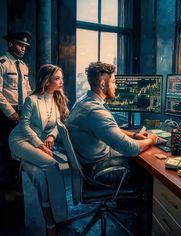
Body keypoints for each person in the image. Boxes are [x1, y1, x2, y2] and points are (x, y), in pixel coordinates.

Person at [66, 61, 158, 187]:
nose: (116, 86)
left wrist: (134, 135)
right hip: (99, 171)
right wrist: (152, 140)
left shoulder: (82, 102)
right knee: (149, 169)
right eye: (114, 82)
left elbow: (110, 129)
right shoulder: (96, 111)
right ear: (103, 84)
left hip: (89, 163)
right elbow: (132, 149)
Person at [9, 64, 69, 236]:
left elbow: (57, 125)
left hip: (38, 143)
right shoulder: (32, 99)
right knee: (52, 165)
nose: (61, 82)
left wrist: (50, 137)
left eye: (61, 78)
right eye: (57, 78)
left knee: (40, 176)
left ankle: (50, 219)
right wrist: (40, 145)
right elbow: (24, 126)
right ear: (46, 80)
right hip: (20, 140)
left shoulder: (57, 99)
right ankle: (57, 217)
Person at [0, 31, 32, 195]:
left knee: (18, 149)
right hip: (6, 113)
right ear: (10, 44)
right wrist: (10, 112)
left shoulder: (24, 66)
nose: (23, 48)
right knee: (6, 150)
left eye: (25, 46)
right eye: (20, 44)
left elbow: (27, 90)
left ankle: (15, 184)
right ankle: (6, 189)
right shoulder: (3, 63)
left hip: (22, 112)